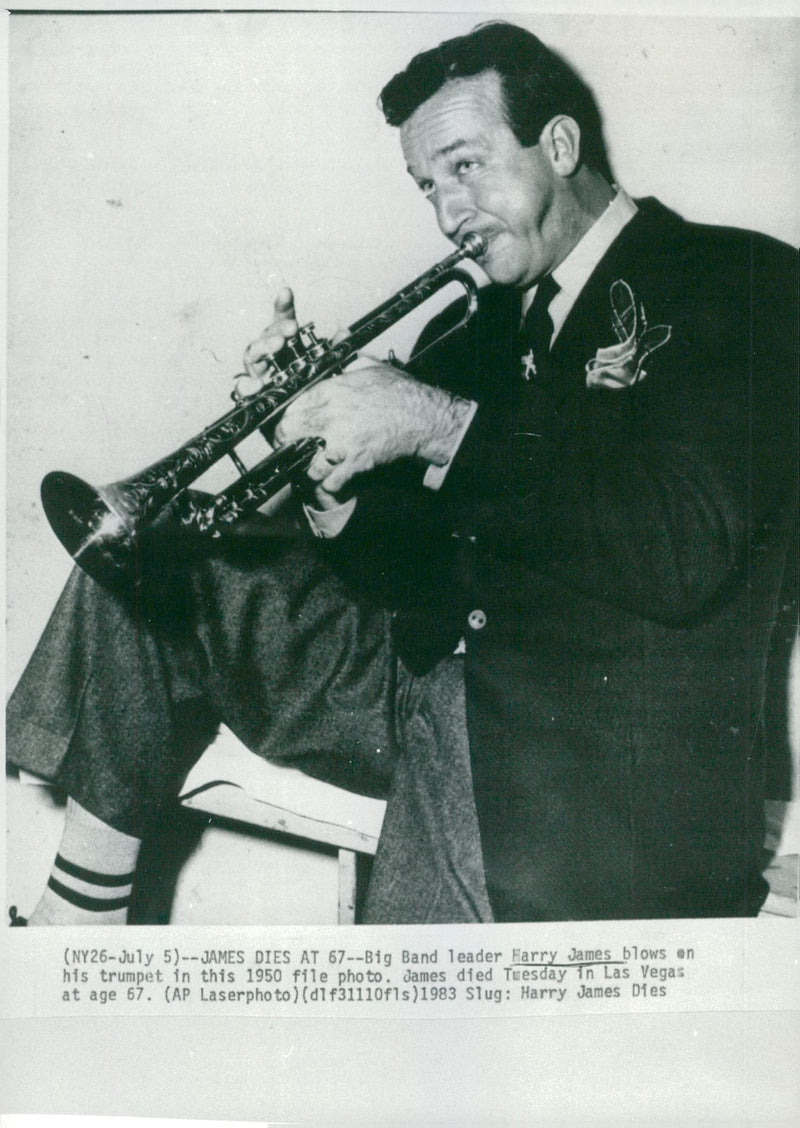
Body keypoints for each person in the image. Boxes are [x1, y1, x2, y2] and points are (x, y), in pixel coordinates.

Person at [7, 22, 797, 925]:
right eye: (427, 186)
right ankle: (77, 919)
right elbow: (403, 573)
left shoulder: (739, 280)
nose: (448, 212)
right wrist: (329, 479)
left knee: (406, 1036)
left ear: (562, 144)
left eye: (465, 166)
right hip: (418, 681)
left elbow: (683, 547)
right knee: (151, 554)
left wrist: (437, 424)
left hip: (583, 748)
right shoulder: (471, 332)